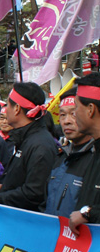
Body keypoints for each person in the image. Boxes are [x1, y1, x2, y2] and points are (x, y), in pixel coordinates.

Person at [0, 82, 57, 213]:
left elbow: (34, 193)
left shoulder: (40, 144)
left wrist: (0, 198)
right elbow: (24, 179)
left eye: (8, 105)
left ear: (17, 108)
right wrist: (4, 187)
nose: (5, 109)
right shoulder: (26, 137)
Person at [42, 89, 94, 217]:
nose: (66, 121)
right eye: (62, 115)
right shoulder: (60, 157)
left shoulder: (95, 158)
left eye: (73, 113)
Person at [69, 72, 100, 233]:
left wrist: (88, 213)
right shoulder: (95, 150)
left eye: (75, 107)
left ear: (90, 110)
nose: (73, 114)